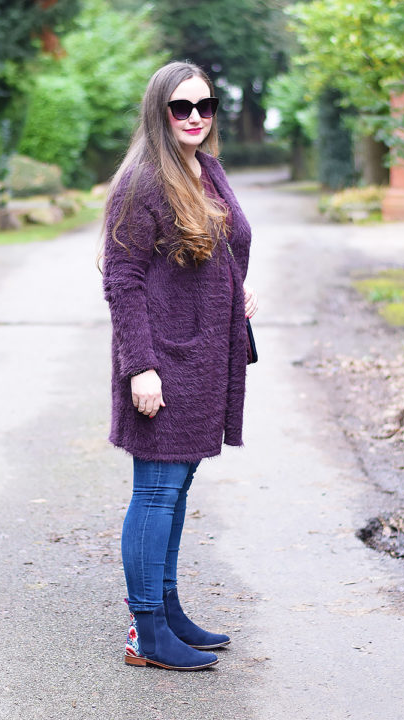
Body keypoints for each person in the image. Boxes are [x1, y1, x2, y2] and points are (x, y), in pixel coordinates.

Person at [101, 60, 257, 671]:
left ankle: (167, 610)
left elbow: (219, 250)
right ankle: (146, 631)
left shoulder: (206, 169)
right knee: (156, 491)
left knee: (178, 485)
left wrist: (237, 288)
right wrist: (139, 367)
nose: (196, 117)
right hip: (162, 360)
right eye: (182, 107)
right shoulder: (143, 182)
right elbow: (123, 280)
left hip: (203, 356)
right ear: (159, 113)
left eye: (206, 106)